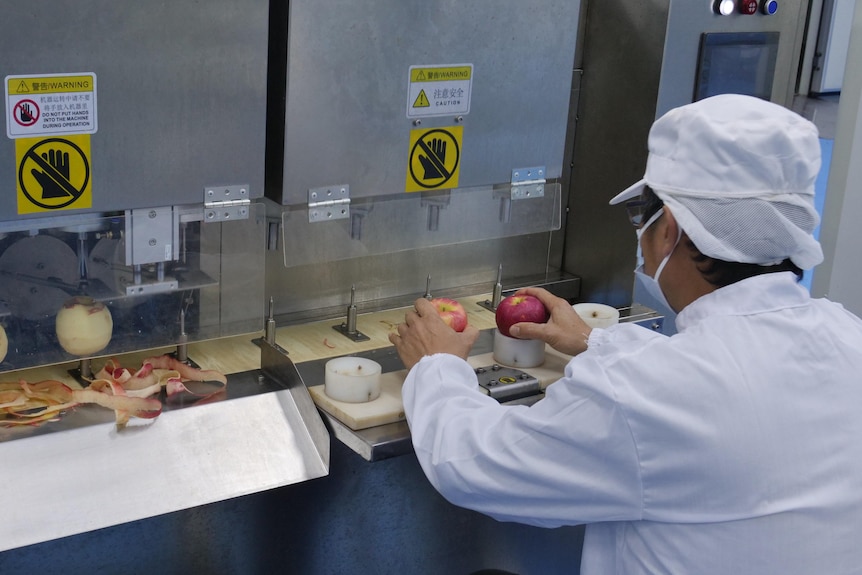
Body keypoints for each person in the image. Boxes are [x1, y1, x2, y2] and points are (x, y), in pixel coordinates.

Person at [388, 94, 862, 574]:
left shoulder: (647, 394)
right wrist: (598, 344)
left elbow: (473, 466)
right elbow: (727, 381)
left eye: (642, 216)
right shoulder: (848, 338)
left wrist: (436, 366)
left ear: (668, 229)